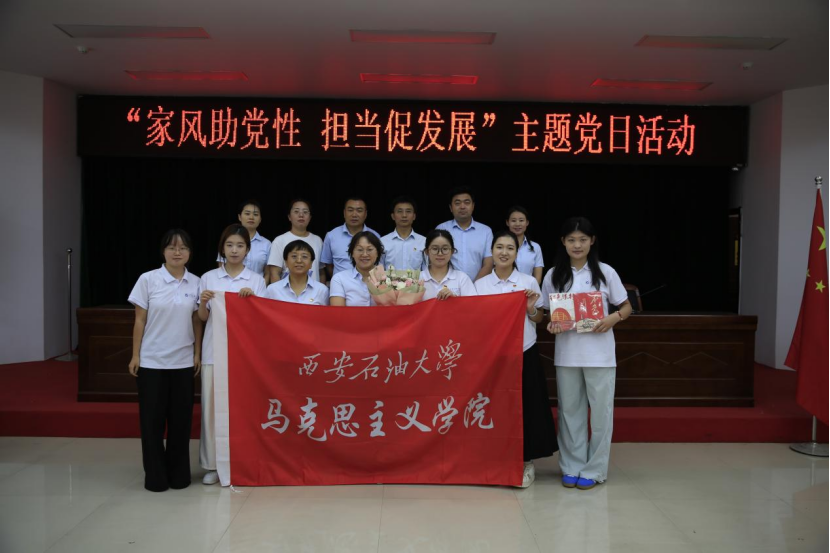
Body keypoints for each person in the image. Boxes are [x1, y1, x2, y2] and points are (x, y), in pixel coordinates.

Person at [542, 217, 631, 490]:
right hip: (567, 355)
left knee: (601, 414)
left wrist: (613, 318)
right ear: (563, 242)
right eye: (571, 240)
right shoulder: (553, 275)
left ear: (592, 241)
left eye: (582, 239)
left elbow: (626, 306)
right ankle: (571, 466)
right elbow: (548, 314)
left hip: (600, 355)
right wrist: (552, 324)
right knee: (570, 412)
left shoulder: (605, 272)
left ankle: (595, 469)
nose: (577, 245)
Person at [474, 230, 557, 488]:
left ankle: (526, 461)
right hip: (493, 355)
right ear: (492, 252)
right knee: (494, 406)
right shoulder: (480, 285)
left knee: (527, 407)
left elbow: (539, 318)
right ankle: (493, 459)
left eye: (510, 248)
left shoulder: (527, 282)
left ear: (516, 253)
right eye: (499, 247)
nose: (504, 252)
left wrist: (531, 308)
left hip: (524, 351)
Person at [127, 229, 201, 492]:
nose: (177, 252)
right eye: (172, 247)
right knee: (152, 423)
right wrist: (136, 354)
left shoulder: (196, 282)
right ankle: (155, 477)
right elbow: (139, 320)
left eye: (183, 248)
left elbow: (197, 320)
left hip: (183, 362)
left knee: (181, 422)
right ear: (163, 251)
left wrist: (197, 353)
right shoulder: (148, 279)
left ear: (190, 253)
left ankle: (179, 475)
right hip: (152, 362)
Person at [198, 224, 266, 485]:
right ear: (222, 249)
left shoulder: (256, 280)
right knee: (212, 410)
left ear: (247, 250)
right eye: (229, 245)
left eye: (240, 245)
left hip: (243, 354)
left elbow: (261, 320)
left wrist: (251, 301)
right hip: (213, 351)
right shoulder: (209, 278)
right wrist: (205, 301)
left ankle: (242, 460)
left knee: (244, 409)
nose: (234, 250)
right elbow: (203, 317)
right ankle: (212, 464)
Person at [436, 187, 494, 282]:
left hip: (478, 286)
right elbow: (436, 260)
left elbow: (488, 263)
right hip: (447, 286)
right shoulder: (441, 229)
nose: (462, 206)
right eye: (457, 203)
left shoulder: (485, 231)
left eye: (467, 202)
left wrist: (474, 286)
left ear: (473, 206)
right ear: (451, 208)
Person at [266, 198, 324, 284]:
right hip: (286, 291)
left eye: (305, 212)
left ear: (310, 217)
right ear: (289, 217)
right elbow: (275, 273)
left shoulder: (318, 240)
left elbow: (321, 272)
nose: (301, 215)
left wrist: (321, 290)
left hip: (313, 291)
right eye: (296, 211)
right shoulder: (279, 240)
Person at [321, 197, 380, 280]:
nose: (354, 215)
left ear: (365, 214)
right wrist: (339, 280)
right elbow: (328, 264)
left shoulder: (375, 236)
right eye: (350, 210)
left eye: (359, 210)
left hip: (368, 285)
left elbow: (378, 263)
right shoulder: (331, 236)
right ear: (344, 213)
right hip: (340, 285)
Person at [217, 200, 271, 281]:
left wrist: (260, 287)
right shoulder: (228, 239)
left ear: (260, 219)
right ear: (239, 217)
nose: (251, 217)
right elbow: (221, 267)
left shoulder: (266, 244)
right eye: (247, 213)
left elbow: (268, 273)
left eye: (255, 214)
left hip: (256, 286)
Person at [265, 240, 329, 305]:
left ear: (311, 263)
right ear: (286, 262)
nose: (299, 261)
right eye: (294, 256)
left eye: (304, 257)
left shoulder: (322, 290)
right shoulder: (273, 289)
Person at [329, 231, 384, 307]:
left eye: (369, 249)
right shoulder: (339, 279)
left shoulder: (388, 279)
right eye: (360, 250)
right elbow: (338, 311)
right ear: (352, 253)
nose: (365, 254)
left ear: (377, 253)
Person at [421, 229, 477, 301]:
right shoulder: (417, 279)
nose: (440, 253)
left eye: (445, 249)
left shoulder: (462, 278)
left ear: (452, 251)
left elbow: (473, 305)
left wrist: (454, 299)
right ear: (427, 252)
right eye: (435, 249)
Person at [381, 196, 426, 271]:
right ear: (393, 216)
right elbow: (379, 269)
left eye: (408, 211)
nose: (404, 215)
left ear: (414, 216)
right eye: (399, 211)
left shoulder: (424, 242)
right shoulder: (382, 242)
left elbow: (427, 270)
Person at [506, 206, 544, 285]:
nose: (517, 224)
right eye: (513, 220)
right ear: (507, 222)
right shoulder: (500, 246)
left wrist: (532, 290)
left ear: (527, 223)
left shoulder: (535, 247)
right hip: (504, 289)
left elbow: (538, 278)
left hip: (527, 290)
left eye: (521, 220)